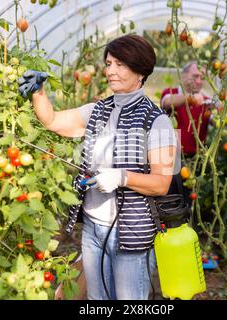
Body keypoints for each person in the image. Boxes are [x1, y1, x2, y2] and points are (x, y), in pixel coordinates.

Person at [19, 35, 177, 300]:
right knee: (97, 300)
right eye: (109, 63)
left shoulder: (156, 121)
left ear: (140, 70)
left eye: (120, 64)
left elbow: (161, 184)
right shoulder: (98, 111)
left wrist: (121, 177)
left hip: (132, 232)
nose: (111, 70)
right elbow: (53, 121)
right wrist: (39, 93)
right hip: (93, 227)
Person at [160, 61, 213, 206]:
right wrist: (190, 98)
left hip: (193, 160)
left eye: (202, 78)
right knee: (167, 200)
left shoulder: (206, 102)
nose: (199, 81)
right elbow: (166, 102)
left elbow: (219, 120)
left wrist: (217, 107)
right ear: (183, 76)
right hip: (170, 158)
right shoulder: (171, 93)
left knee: (188, 201)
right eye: (195, 76)